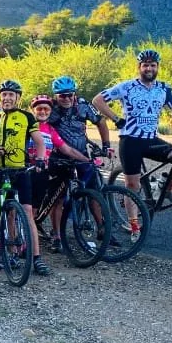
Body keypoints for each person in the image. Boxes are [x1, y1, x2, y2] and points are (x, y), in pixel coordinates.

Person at [92, 49, 172, 238]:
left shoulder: (164, 89)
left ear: (157, 67)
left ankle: (163, 188)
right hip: (130, 140)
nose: (149, 68)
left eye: (152, 65)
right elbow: (98, 100)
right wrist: (115, 118)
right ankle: (135, 226)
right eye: (145, 65)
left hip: (151, 140)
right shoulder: (127, 86)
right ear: (139, 67)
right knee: (132, 186)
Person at [0, 79, 50, 276]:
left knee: (28, 212)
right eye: (4, 95)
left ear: (18, 98)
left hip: (20, 170)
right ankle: (10, 251)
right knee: (8, 212)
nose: (7, 98)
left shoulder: (27, 117)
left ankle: (36, 257)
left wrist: (40, 159)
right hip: (0, 171)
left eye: (11, 95)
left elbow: (39, 142)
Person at [49, 75, 113, 251]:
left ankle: (102, 228)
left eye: (70, 94)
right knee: (59, 198)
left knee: (93, 192)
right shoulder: (51, 109)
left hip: (82, 154)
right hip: (59, 157)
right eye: (62, 96)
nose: (67, 99)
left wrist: (106, 145)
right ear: (56, 96)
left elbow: (100, 122)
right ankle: (56, 236)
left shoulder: (83, 105)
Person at [27, 94, 93, 254]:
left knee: (54, 200)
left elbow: (66, 149)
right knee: (30, 210)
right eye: (39, 109)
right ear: (33, 110)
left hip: (44, 170)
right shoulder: (28, 126)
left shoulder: (50, 129)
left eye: (46, 109)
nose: (43, 112)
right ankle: (25, 242)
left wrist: (86, 160)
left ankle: (54, 235)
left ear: (50, 111)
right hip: (28, 171)